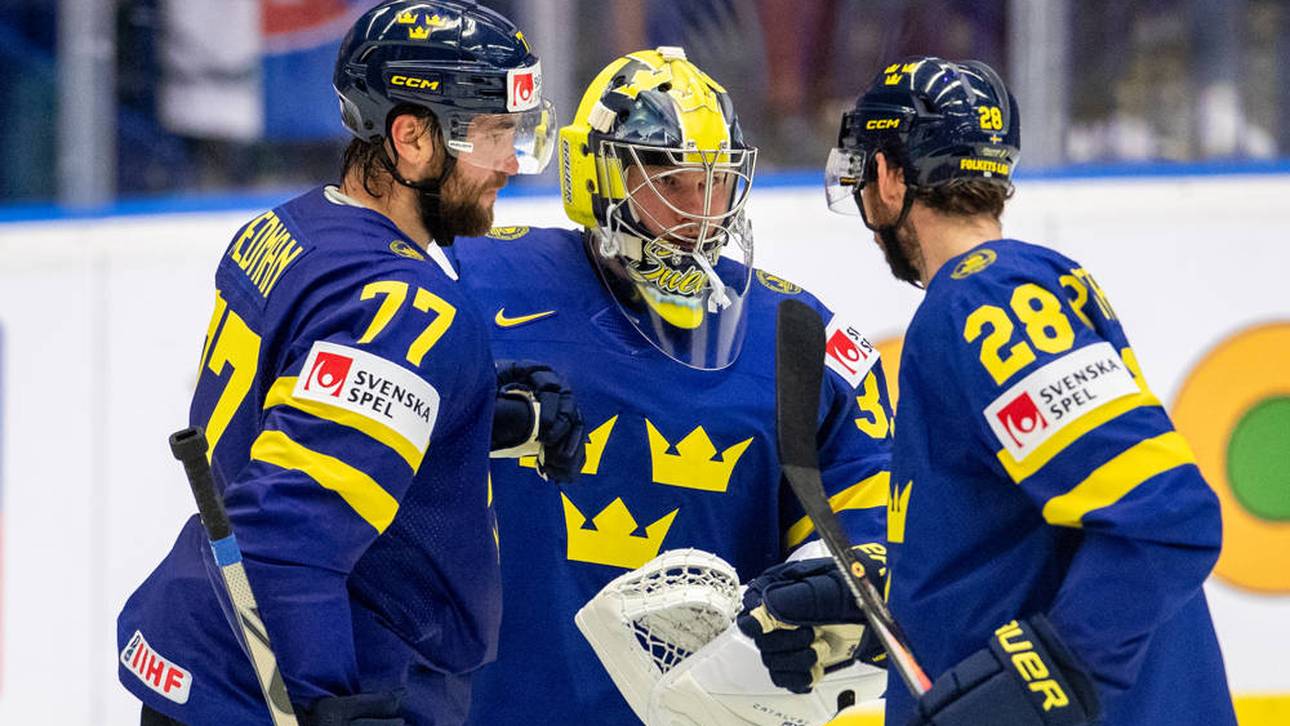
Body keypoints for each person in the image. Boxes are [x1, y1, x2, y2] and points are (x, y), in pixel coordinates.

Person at [116, 2, 584, 724]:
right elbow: (291, 532)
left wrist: (465, 412)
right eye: (493, 135)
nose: (511, 162)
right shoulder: (404, 306)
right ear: (412, 138)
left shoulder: (287, 228)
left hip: (209, 650)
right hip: (307, 682)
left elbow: (304, 417)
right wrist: (328, 699)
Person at [744, 57, 1237, 726]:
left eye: (865, 168)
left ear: (890, 173)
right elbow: (1019, 543)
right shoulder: (1013, 288)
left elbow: (1164, 516)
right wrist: (875, 603)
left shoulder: (985, 298)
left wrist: (1048, 679)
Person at [445, 46, 896, 723]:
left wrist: (830, 604)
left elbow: (874, 546)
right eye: (669, 180)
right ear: (595, 176)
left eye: (715, 183)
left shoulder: (805, 344)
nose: (698, 212)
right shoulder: (465, 283)